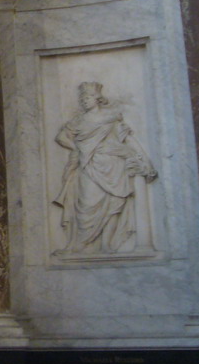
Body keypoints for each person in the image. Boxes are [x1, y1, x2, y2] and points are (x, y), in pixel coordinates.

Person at [53, 82, 158, 254]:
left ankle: (106, 244)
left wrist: (144, 160)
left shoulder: (112, 117)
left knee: (114, 204)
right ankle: (80, 243)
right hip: (90, 164)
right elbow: (61, 137)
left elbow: (128, 139)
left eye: (87, 98)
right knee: (86, 204)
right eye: (82, 98)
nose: (83, 101)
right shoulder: (78, 120)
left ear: (97, 99)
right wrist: (77, 148)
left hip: (114, 164)